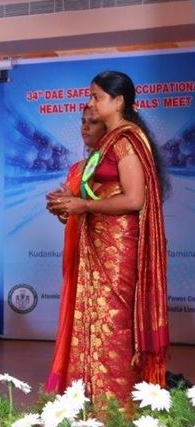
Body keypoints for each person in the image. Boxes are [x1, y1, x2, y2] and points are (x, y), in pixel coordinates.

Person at [47, 70, 169, 401]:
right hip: (98, 243)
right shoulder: (108, 142)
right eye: (91, 95)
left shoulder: (127, 140)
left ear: (118, 101)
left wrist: (83, 205)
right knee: (93, 321)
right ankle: (92, 402)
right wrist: (70, 206)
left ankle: (117, 409)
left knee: (114, 324)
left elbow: (134, 199)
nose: (91, 103)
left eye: (97, 97)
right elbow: (101, 194)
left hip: (118, 248)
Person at [44, 104, 106, 394]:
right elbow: (71, 212)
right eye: (82, 122)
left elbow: (106, 207)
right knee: (72, 308)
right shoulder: (77, 169)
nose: (85, 127)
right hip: (75, 244)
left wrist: (78, 203)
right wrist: (60, 206)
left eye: (93, 122)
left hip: (100, 251)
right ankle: (74, 376)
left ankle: (99, 380)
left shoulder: (110, 167)